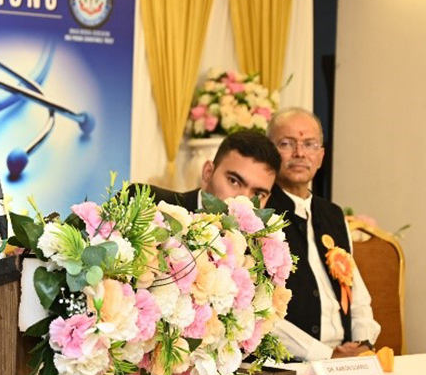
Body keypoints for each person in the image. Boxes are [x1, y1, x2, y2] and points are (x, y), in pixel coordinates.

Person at [264, 107, 380, 361]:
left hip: (346, 359)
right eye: (287, 143)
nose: (300, 153)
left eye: (309, 144)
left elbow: (356, 293)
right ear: (269, 151)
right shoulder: (259, 214)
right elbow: (259, 311)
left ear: (321, 155)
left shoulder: (333, 215)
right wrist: (325, 355)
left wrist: (363, 342)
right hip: (290, 364)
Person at [148, 130, 282, 210]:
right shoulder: (150, 205)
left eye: (258, 194)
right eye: (234, 181)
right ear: (208, 173)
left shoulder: (266, 246)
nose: (244, 202)